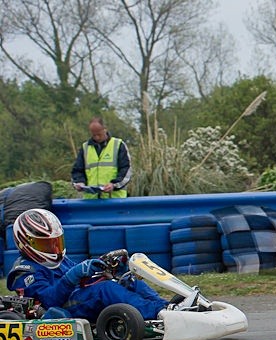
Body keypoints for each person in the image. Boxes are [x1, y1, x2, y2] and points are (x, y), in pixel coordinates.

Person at [6, 209, 168, 321]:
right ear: (25, 243)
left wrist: (107, 271)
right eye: (46, 245)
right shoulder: (25, 271)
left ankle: (165, 306)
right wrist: (73, 275)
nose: (54, 250)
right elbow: (49, 300)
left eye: (55, 243)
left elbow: (82, 281)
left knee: (127, 279)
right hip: (60, 309)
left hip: (79, 299)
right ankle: (157, 313)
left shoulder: (60, 260)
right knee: (105, 290)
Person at [71, 117, 131, 198]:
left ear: (105, 129)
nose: (96, 137)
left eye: (99, 134)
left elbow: (126, 170)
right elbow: (77, 170)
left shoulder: (118, 145)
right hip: (91, 201)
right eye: (93, 135)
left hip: (115, 200)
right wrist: (79, 183)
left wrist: (114, 185)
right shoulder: (85, 148)